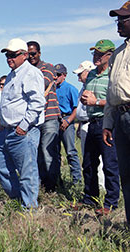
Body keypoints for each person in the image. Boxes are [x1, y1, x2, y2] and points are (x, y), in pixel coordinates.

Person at [0, 38, 45, 210]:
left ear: (24, 55)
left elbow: (37, 102)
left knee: (27, 172)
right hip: (6, 131)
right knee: (1, 168)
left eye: (13, 55)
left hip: (24, 131)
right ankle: (19, 199)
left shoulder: (31, 73)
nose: (9, 58)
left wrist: (23, 126)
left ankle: (29, 209)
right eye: (7, 55)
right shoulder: (11, 75)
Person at [80, 40, 120, 216]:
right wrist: (85, 100)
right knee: (88, 163)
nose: (96, 57)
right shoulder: (90, 75)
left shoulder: (113, 75)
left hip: (107, 122)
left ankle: (111, 202)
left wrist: (94, 101)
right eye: (94, 53)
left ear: (109, 56)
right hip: (92, 122)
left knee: (110, 164)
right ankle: (90, 198)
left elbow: (114, 101)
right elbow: (88, 97)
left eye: (99, 54)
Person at [103, 1, 130, 224]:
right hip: (121, 118)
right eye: (117, 19)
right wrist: (107, 124)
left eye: (124, 19)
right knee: (127, 176)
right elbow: (112, 92)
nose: (119, 24)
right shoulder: (118, 54)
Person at [27, 41, 61, 192]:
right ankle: (43, 184)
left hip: (49, 116)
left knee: (48, 153)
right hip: (35, 119)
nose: (31, 57)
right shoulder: (26, 70)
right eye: (28, 54)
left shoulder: (48, 67)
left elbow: (40, 84)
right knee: (37, 154)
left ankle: (52, 186)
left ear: (39, 53)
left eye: (33, 53)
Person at [73, 61, 105, 189]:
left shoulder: (94, 86)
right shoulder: (84, 87)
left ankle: (101, 186)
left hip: (96, 122)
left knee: (100, 159)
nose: (78, 77)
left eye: (81, 73)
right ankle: (91, 188)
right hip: (85, 123)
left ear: (89, 71)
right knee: (88, 159)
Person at [54, 64, 82, 184]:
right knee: (54, 153)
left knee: (70, 152)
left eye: (58, 75)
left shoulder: (71, 89)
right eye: (54, 75)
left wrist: (68, 121)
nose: (56, 77)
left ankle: (77, 181)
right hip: (54, 121)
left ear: (64, 75)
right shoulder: (52, 89)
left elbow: (77, 109)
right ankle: (57, 181)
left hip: (67, 121)